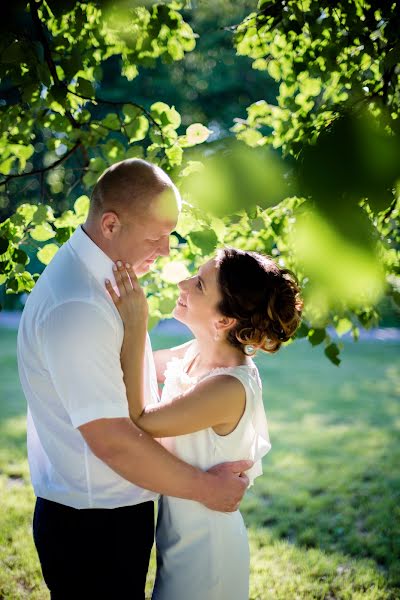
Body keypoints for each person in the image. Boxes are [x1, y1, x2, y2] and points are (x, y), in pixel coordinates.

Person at [16, 159, 253, 600]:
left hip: (108, 518)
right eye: (156, 236)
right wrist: (208, 489)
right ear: (110, 224)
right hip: (93, 528)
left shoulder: (107, 280)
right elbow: (114, 440)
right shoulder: (81, 306)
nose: (165, 251)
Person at [106, 248, 303, 600]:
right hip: (178, 535)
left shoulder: (228, 386)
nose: (182, 283)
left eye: (198, 284)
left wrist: (136, 323)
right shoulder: (195, 352)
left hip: (208, 551)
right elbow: (142, 366)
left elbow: (143, 419)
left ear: (224, 320)